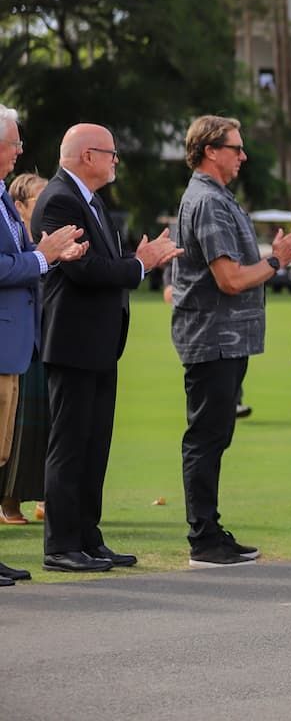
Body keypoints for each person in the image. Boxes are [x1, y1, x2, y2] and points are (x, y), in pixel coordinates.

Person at [171, 115, 291, 568]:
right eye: (235, 148)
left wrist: (275, 256)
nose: (243, 156)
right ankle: (203, 537)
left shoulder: (214, 197)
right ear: (210, 150)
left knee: (213, 437)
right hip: (213, 337)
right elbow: (231, 279)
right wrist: (278, 258)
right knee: (206, 438)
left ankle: (210, 530)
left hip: (223, 338)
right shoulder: (209, 202)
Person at [34, 125, 181, 573]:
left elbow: (101, 265)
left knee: (95, 445)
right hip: (73, 341)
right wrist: (141, 265)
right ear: (87, 156)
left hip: (98, 341)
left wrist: (134, 262)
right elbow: (84, 271)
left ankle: (87, 537)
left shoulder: (90, 200)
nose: (117, 159)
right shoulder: (60, 199)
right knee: (70, 445)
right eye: (111, 153)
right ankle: (61, 545)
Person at [0, 106, 85, 585]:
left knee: (2, 451)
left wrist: (51, 258)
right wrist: (40, 257)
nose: (19, 152)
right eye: (14, 143)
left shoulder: (0, 196)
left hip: (14, 342)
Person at [2, 173, 48, 525]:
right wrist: (43, 258)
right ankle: (10, 503)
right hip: (15, 343)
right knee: (11, 437)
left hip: (35, 341)